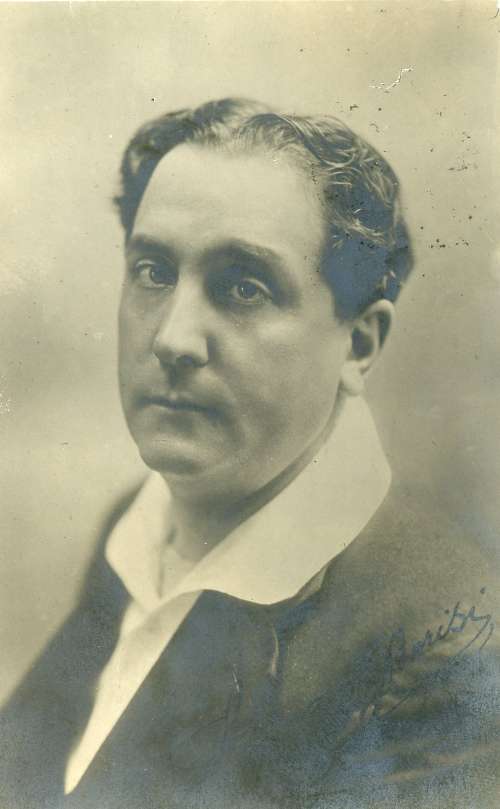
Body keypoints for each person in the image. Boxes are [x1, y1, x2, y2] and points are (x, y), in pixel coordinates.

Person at [1, 98, 499, 809]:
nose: (173, 338)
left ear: (359, 344)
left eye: (243, 286)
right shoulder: (139, 528)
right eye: (153, 270)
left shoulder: (444, 657)